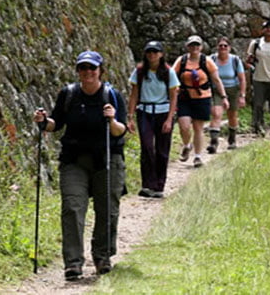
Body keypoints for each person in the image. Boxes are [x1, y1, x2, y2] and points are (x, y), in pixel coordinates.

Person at [33, 50, 127, 281]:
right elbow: (56, 125)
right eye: (83, 68)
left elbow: (120, 130)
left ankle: (102, 256)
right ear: (78, 71)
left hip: (107, 159)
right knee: (72, 208)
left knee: (107, 209)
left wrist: (112, 119)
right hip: (74, 160)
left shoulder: (112, 96)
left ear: (100, 71)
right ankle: (73, 263)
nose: (87, 73)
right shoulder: (69, 95)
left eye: (92, 68)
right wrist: (43, 122)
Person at [127, 40, 179, 199]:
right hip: (145, 112)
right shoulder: (140, 71)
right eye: (149, 52)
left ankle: (159, 186)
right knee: (147, 147)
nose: (152, 55)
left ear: (161, 54)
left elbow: (173, 95)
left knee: (162, 150)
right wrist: (130, 117)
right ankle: (147, 184)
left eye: (155, 52)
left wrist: (170, 119)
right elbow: (134, 94)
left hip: (163, 112)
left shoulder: (168, 72)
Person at [173, 35, 229, 168]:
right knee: (184, 126)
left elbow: (216, 80)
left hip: (202, 98)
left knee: (198, 128)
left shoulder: (206, 61)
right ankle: (187, 145)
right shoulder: (181, 61)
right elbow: (172, 76)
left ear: (201, 47)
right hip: (185, 97)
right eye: (192, 45)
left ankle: (197, 157)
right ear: (187, 47)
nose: (194, 48)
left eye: (197, 45)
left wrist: (223, 97)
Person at [210, 37, 247, 151]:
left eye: (225, 46)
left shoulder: (235, 60)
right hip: (216, 90)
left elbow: (242, 79)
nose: (223, 48)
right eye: (220, 45)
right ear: (217, 47)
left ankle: (232, 139)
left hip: (233, 89)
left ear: (229, 48)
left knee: (232, 115)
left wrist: (242, 95)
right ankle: (214, 142)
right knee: (216, 113)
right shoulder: (212, 59)